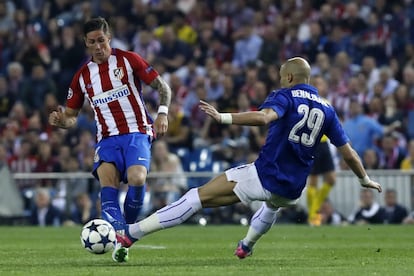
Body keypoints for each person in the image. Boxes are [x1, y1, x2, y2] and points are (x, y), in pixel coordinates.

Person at [112, 57, 382, 263]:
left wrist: (223, 117)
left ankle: (132, 232)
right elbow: (348, 152)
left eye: (280, 77)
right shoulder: (328, 109)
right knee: (273, 206)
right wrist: (365, 179)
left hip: (264, 175)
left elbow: (264, 118)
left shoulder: (285, 96)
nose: (280, 82)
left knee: (196, 197)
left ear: (288, 77)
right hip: (293, 189)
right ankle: (247, 246)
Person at [48, 17, 171, 239]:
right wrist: (61, 122)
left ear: (109, 39)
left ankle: (129, 230)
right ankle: (119, 237)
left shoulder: (129, 60)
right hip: (107, 139)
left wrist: (162, 113)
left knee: (137, 178)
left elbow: (163, 87)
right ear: (86, 43)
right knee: (108, 183)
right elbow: (71, 117)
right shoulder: (82, 76)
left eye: (101, 41)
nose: (98, 46)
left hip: (137, 131)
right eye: (92, 41)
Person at [306, 75, 337, 226]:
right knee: (313, 181)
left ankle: (313, 212)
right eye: (316, 84)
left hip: (325, 144)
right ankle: (313, 217)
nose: (319, 87)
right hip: (313, 143)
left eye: (321, 84)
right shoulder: (308, 102)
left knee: (331, 179)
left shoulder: (327, 103)